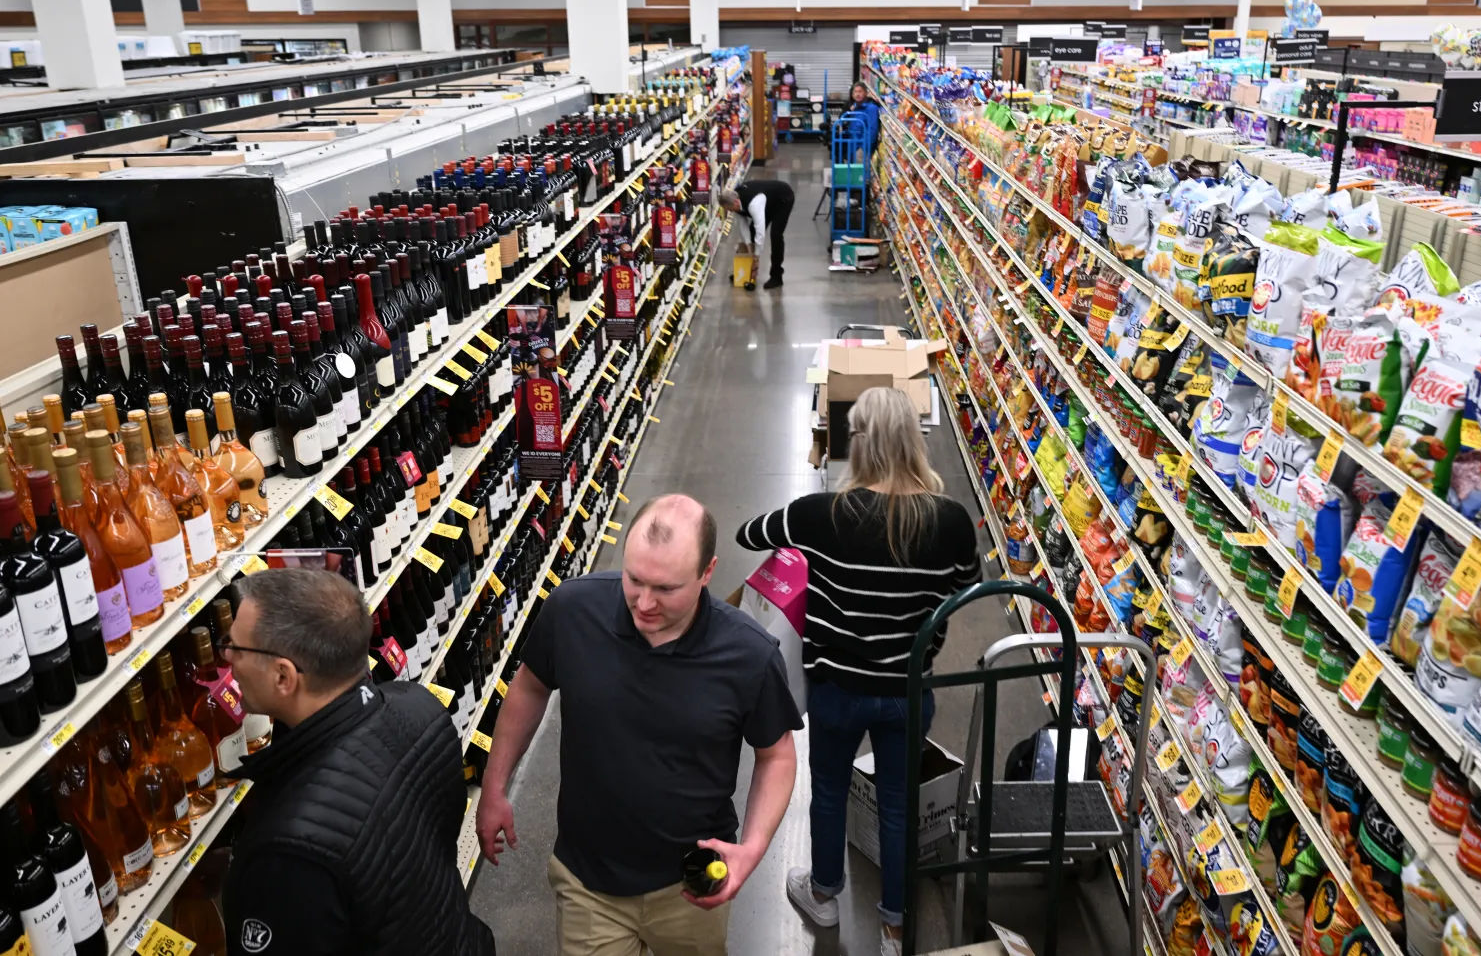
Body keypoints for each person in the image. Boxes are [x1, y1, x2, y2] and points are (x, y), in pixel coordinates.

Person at [476, 493, 802, 956]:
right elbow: (530, 687)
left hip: (692, 885)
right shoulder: (572, 611)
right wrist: (494, 786)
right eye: (634, 580)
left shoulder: (749, 655)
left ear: (707, 573)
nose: (644, 602)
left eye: (666, 589)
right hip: (589, 882)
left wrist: (752, 847)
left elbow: (776, 755)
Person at [735, 386, 982, 956]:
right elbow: (962, 589)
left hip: (836, 688)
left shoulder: (819, 513)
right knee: (899, 801)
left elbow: (752, 532)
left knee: (828, 788)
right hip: (907, 691)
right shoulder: (949, 521)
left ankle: (823, 894)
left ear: (857, 443)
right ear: (913, 441)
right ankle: (895, 924)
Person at [220, 567, 494, 956]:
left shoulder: (287, 850)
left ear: (284, 676)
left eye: (235, 648)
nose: (227, 658)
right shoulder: (421, 708)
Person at [720, 177, 794, 291]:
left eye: (730, 209)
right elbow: (743, 227)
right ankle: (745, 271)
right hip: (768, 201)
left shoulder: (754, 204)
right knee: (751, 232)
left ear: (735, 202)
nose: (730, 211)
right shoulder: (736, 200)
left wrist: (757, 258)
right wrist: (750, 251)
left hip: (782, 199)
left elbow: (760, 232)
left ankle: (776, 276)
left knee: (776, 235)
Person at [845, 80, 881, 154]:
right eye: (855, 92)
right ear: (852, 95)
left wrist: (864, 148)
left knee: (861, 165)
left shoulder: (871, 108)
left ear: (865, 93)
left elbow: (872, 130)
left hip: (862, 149)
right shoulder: (854, 107)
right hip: (853, 147)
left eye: (860, 91)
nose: (857, 94)